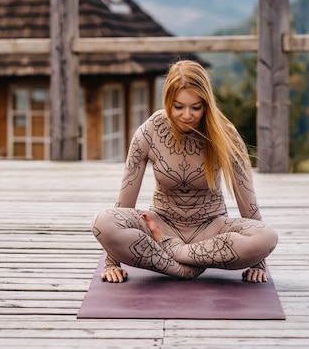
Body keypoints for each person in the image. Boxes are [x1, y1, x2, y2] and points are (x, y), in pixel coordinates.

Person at [91, 59, 278, 284]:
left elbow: (247, 201)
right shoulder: (149, 132)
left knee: (266, 236)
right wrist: (112, 261)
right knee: (103, 222)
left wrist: (259, 261)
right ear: (168, 100)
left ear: (206, 104)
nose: (187, 115)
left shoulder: (225, 133)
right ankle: (184, 268)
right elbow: (125, 201)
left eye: (195, 107)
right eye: (178, 106)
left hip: (211, 230)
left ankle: (175, 254)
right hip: (160, 224)